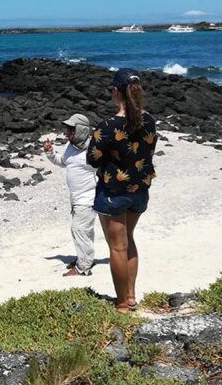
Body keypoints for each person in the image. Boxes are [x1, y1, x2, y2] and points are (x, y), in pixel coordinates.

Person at [87, 68, 157, 313]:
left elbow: (92, 159)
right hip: (140, 191)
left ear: (116, 92)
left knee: (117, 246)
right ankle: (130, 296)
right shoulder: (149, 120)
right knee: (129, 240)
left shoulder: (107, 126)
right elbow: (149, 149)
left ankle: (121, 305)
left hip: (114, 192)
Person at [43, 113, 97, 277]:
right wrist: (50, 153)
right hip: (75, 198)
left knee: (79, 229)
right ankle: (86, 258)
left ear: (81, 130)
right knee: (84, 231)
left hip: (89, 197)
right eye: (67, 129)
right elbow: (63, 162)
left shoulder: (95, 148)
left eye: (70, 130)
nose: (66, 133)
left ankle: (83, 267)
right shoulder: (71, 146)